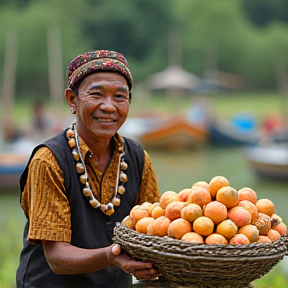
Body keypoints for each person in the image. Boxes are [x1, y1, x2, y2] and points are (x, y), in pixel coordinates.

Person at [16, 50, 161, 288]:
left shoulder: (137, 158)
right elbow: (57, 259)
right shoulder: (49, 160)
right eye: (96, 94)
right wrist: (111, 257)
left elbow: (152, 227)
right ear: (72, 100)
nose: (109, 106)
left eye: (119, 97)